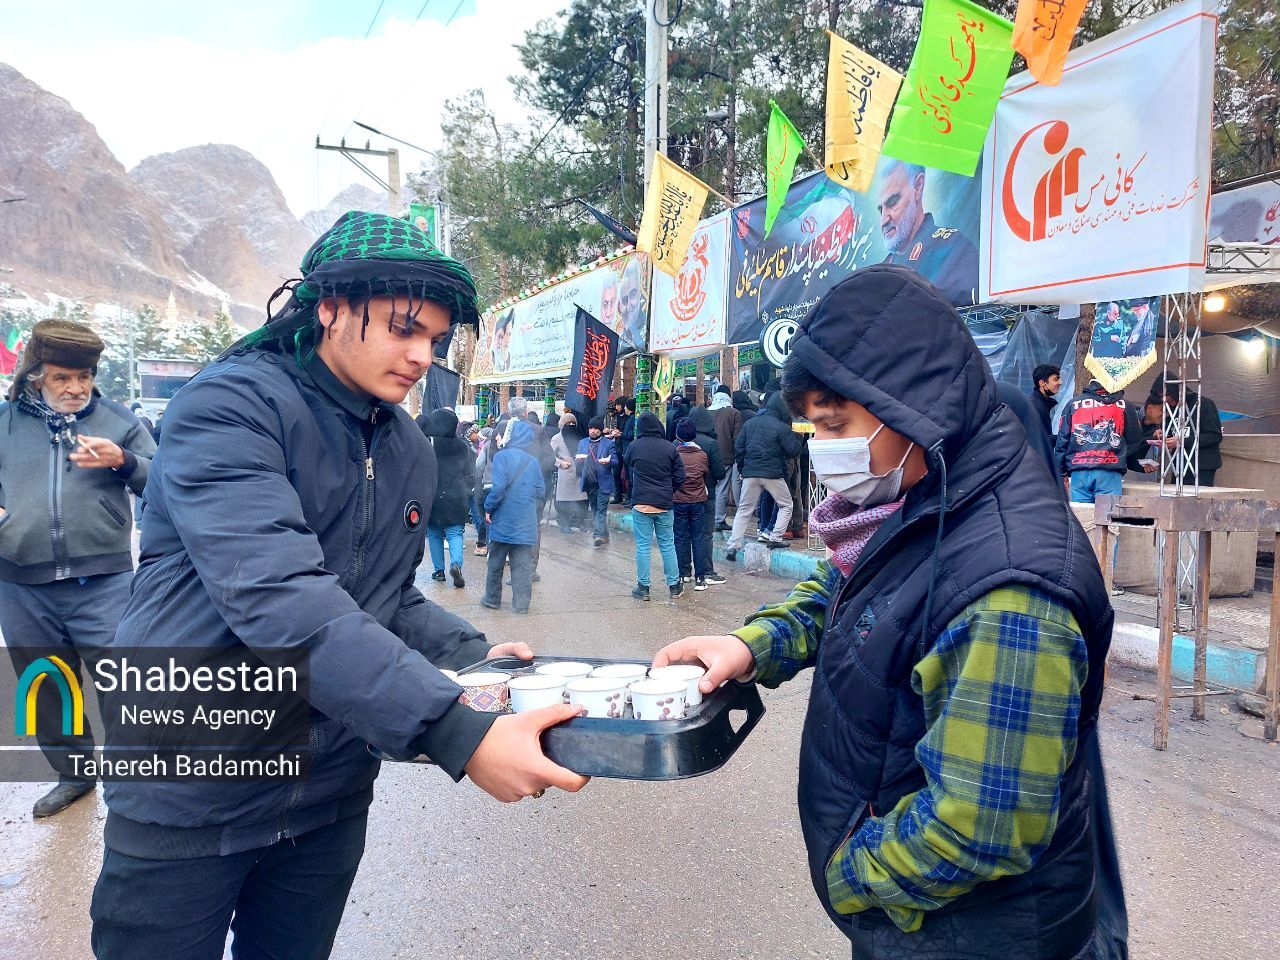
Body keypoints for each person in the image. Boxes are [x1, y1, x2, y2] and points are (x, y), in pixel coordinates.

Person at [90, 213, 588, 959]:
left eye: (436, 340)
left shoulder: (407, 445)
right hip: (187, 783)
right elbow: (282, 598)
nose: (423, 356)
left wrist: (472, 654)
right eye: (402, 328)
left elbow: (380, 595)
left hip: (325, 791)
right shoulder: (229, 410)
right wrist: (454, 730)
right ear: (327, 305)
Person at [654, 265, 1123, 960]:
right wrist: (754, 644)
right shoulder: (922, 489)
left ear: (911, 403)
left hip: (972, 937)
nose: (823, 447)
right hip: (917, 924)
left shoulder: (1010, 594)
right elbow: (848, 586)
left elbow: (976, 828)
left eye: (835, 424)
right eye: (811, 427)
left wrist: (850, 874)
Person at [0, 320, 155, 819]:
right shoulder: (3, 423)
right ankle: (74, 774)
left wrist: (125, 460)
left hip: (105, 580)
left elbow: (167, 480)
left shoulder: (117, 420)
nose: (76, 388)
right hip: (20, 582)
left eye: (85, 376)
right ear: (35, 377)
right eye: (63, 377)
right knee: (47, 686)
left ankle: (138, 781)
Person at [876, 159, 979, 305]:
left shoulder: (953, 248)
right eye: (880, 210)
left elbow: (976, 318)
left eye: (892, 202)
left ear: (918, 187)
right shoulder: (880, 272)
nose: (883, 220)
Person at [726, 392, 804, 556]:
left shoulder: (750, 424)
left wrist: (743, 470)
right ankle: (775, 538)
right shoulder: (782, 427)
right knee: (786, 505)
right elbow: (793, 451)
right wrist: (798, 436)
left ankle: (733, 545)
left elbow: (739, 449)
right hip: (772, 474)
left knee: (744, 510)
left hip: (750, 473)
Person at [482, 418, 544, 614]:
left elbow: (498, 488)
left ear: (511, 434)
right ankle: (521, 604)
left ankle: (492, 599)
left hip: (503, 520)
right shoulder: (533, 461)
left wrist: (488, 508)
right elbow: (541, 491)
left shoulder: (502, 457)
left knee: (496, 562)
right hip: (525, 521)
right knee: (522, 566)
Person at [624, 412, 685, 601]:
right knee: (667, 545)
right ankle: (674, 586)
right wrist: (668, 490)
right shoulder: (670, 448)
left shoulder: (634, 446)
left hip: (641, 503)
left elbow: (626, 466)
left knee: (643, 546)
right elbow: (680, 477)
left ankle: (644, 588)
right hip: (664, 504)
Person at [1056, 378, 1145, 504]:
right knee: (1108, 518)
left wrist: (1061, 472)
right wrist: (1121, 458)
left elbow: (1062, 441)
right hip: (1110, 472)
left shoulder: (1073, 404)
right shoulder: (1124, 405)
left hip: (1079, 472)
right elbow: (1135, 439)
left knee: (1083, 520)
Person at [417, 407, 473, 588]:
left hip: (433, 494)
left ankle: (439, 571)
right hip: (457, 494)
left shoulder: (429, 442)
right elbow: (469, 472)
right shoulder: (463, 445)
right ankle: (456, 564)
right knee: (455, 532)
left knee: (434, 533)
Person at [1147, 376, 1223, 487]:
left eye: (1165, 395)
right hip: (1179, 465)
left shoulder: (1203, 404)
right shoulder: (1171, 410)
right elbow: (1167, 428)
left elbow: (1214, 436)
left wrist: (1182, 441)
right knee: (1175, 499)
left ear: (1174, 392)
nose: (1164, 399)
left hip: (1202, 466)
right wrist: (1162, 433)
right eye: (1160, 396)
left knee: (1197, 501)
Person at [686, 405, 729, 586]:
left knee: (684, 534)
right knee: (704, 534)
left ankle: (685, 571)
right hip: (706, 495)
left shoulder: (679, 443)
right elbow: (720, 472)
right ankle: (706, 572)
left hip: (682, 496)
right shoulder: (711, 444)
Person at [672, 419, 712, 590]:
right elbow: (705, 477)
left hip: (679, 500)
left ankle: (683, 574)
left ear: (677, 436)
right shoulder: (702, 455)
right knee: (698, 537)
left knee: (681, 537)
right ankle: (700, 578)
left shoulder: (674, 454)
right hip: (698, 501)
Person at [577, 416, 617, 547]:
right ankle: (604, 535)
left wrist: (609, 461)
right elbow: (578, 462)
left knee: (601, 510)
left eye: (595, 428)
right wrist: (578, 460)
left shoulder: (609, 443)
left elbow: (616, 462)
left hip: (603, 482)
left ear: (600, 430)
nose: (592, 431)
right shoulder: (582, 443)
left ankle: (598, 535)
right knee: (594, 509)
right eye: (590, 428)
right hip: (589, 482)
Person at [709, 384, 742, 530]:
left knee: (709, 487)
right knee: (722, 488)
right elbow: (737, 438)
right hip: (726, 456)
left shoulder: (707, 412)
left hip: (707, 456)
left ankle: (709, 518)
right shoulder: (734, 413)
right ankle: (719, 520)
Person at [549, 412, 587, 533]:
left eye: (573, 423)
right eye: (568, 423)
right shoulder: (557, 438)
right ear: (562, 424)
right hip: (566, 472)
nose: (570, 425)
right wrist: (560, 463)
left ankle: (580, 522)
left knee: (581, 500)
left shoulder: (578, 435)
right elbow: (549, 454)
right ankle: (565, 524)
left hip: (579, 470)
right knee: (564, 500)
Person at [608, 396, 635, 504]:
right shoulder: (618, 416)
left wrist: (620, 434)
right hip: (618, 447)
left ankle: (629, 497)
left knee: (629, 474)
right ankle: (618, 495)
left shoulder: (631, 418)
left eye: (619, 405)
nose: (617, 407)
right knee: (616, 473)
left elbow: (631, 433)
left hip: (626, 448)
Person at [1030, 363, 1061, 435]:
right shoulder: (1036, 406)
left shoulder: (1040, 402)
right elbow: (1042, 439)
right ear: (1042, 383)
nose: (1060, 382)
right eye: (1056, 379)